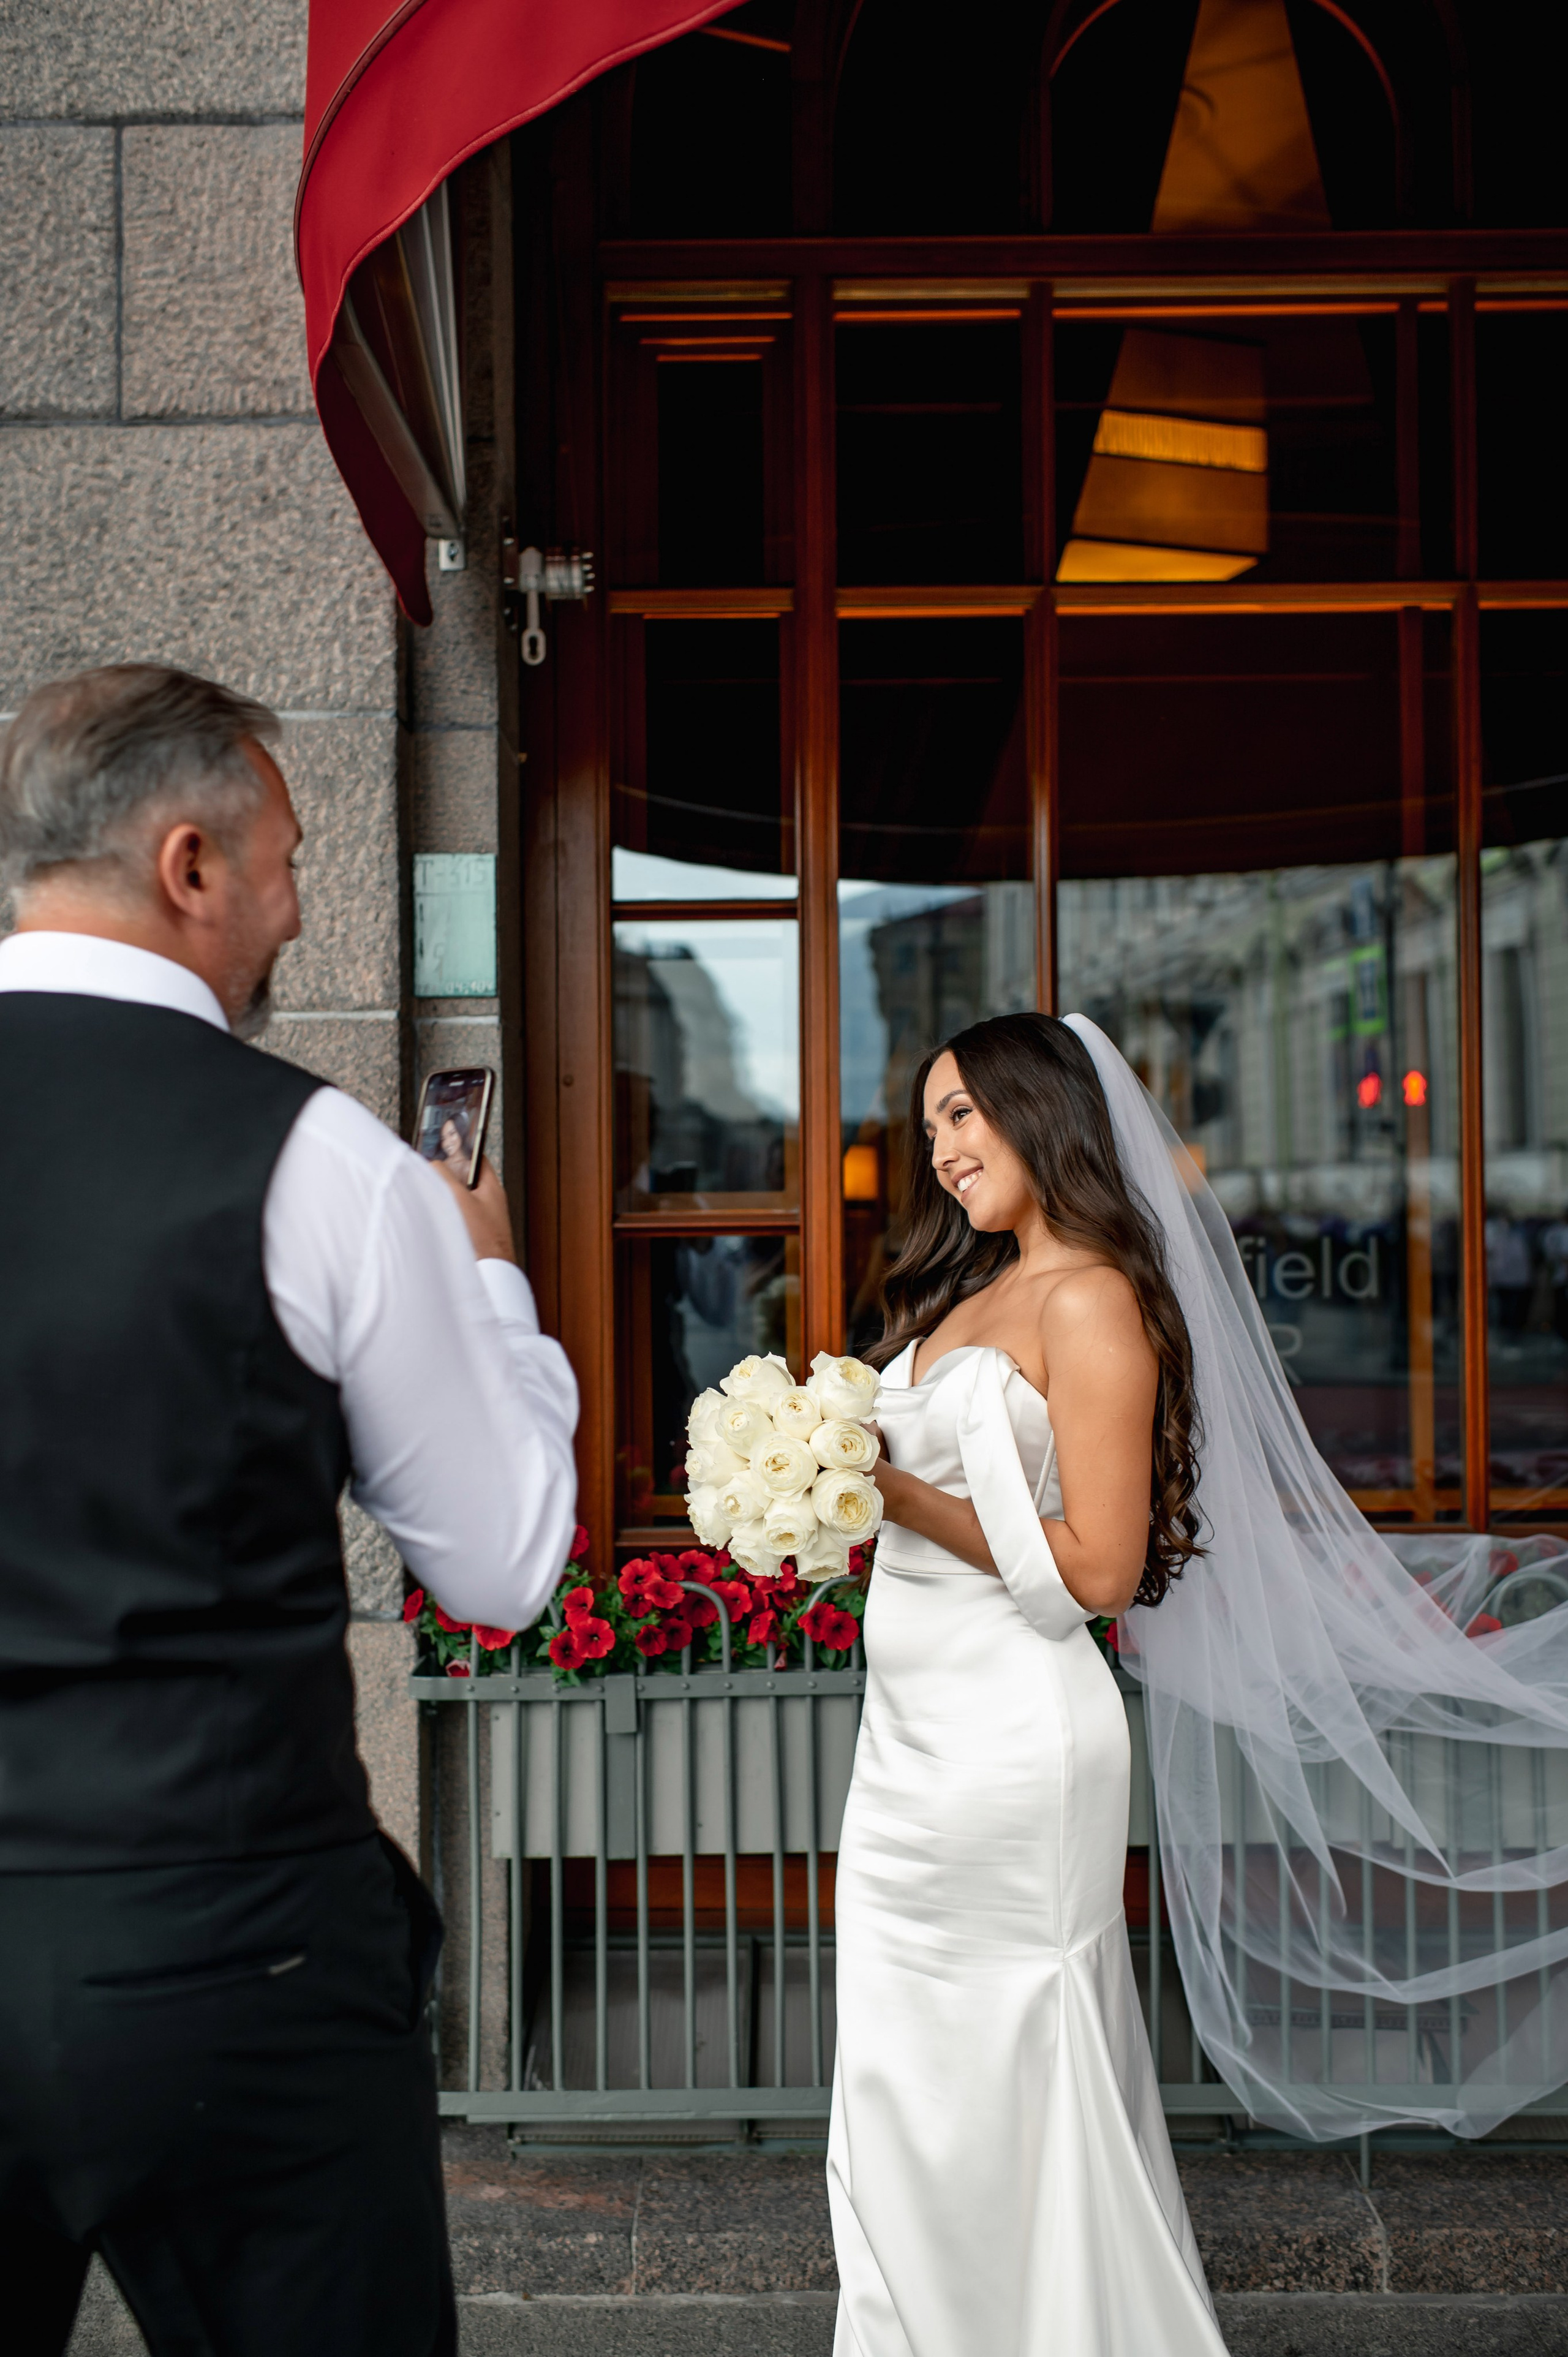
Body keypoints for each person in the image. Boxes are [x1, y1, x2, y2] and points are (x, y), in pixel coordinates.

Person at [0, 665, 579, 2356]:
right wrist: (490, 1293)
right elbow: (503, 1564)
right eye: (287, 862)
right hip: (224, 1951)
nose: (296, 911)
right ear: (189, 865)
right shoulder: (326, 1163)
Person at [829, 1013, 1225, 2357]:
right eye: (928, 1121)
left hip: (1012, 1748)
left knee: (1013, 2064)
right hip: (903, 1754)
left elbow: (1099, 1569)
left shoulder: (1091, 1298)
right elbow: (925, 1515)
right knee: (901, 2069)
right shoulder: (958, 1300)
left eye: (961, 1116)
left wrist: (892, 1490)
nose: (939, 1150)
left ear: (1038, 1112)